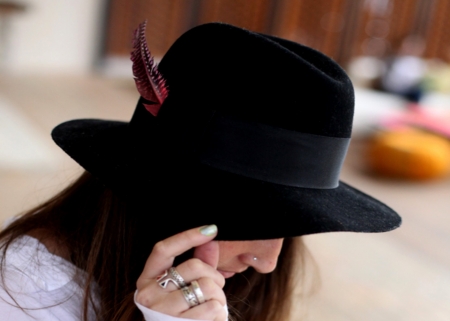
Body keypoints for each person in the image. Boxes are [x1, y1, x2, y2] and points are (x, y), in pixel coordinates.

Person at [0, 21, 401, 321]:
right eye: (255, 217)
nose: (268, 262)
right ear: (155, 188)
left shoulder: (236, 285)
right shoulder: (24, 289)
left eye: (288, 222)